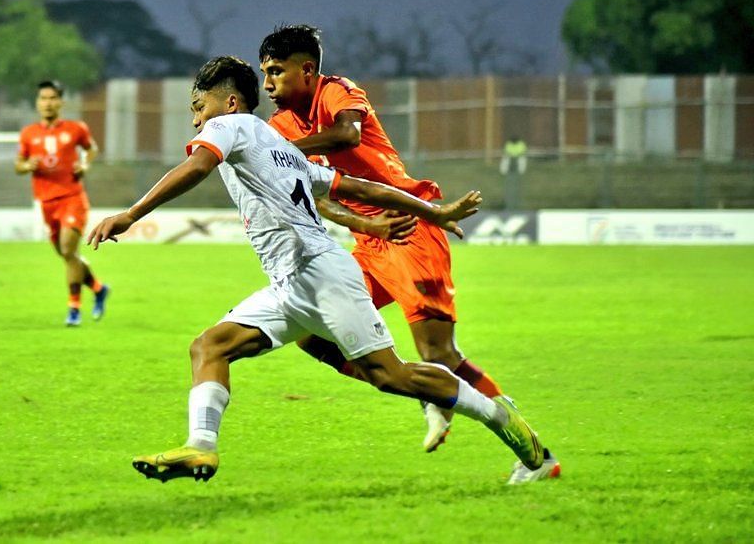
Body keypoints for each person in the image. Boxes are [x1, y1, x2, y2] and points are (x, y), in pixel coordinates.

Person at [88, 56, 547, 484]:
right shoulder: (278, 145)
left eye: (198, 106)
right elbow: (360, 188)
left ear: (228, 102)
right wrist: (433, 213)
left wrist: (131, 214)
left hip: (321, 274)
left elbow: (197, 165)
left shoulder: (230, 125)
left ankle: (499, 417)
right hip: (290, 283)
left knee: (391, 375)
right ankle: (200, 447)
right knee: (209, 347)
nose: (195, 120)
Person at [259, 25, 558, 483]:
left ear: (307, 70)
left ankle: (537, 455)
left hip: (409, 227)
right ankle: (425, 390)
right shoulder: (278, 125)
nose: (268, 85)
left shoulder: (337, 92)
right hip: (372, 240)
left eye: (276, 72)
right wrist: (365, 225)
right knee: (311, 334)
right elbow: (317, 199)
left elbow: (347, 137)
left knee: (438, 352)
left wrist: (279, 152)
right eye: (264, 74)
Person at [16, 80, 109, 326]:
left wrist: (85, 164)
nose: (47, 103)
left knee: (68, 250)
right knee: (68, 257)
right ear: (38, 103)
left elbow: (92, 149)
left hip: (72, 197)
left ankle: (74, 308)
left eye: (52, 98)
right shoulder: (29, 134)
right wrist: (27, 165)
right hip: (46, 203)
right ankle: (99, 289)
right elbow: (18, 164)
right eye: (43, 98)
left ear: (61, 102)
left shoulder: (75, 128)